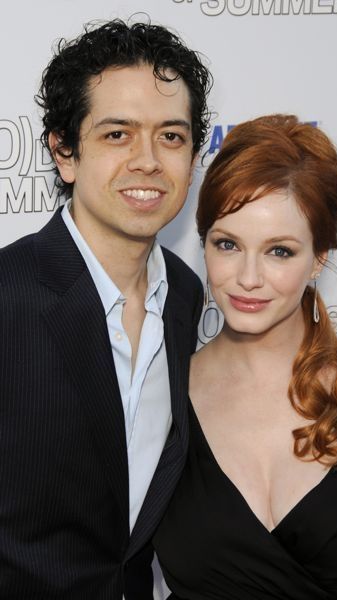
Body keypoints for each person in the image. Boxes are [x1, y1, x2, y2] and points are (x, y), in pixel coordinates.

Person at [0, 18, 212, 599]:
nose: (148, 161)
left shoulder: (185, 294)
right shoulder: (9, 293)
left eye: (171, 137)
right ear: (65, 153)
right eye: (118, 134)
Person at [153, 114, 337, 599]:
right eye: (227, 244)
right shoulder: (158, 399)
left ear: (320, 256)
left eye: (279, 251)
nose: (248, 278)